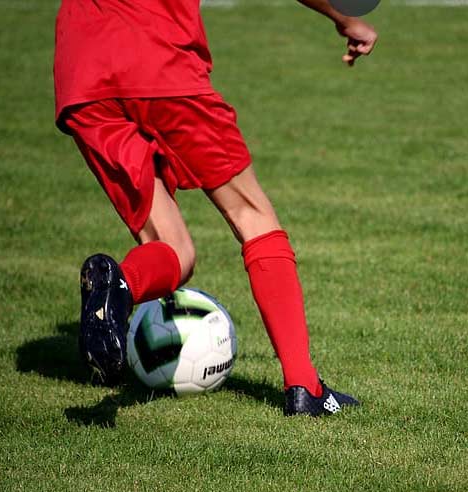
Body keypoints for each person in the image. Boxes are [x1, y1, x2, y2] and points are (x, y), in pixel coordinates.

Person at [53, 0, 377, 416]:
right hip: (158, 59)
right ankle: (304, 386)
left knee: (175, 250)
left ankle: (121, 286)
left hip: (81, 71)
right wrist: (343, 16)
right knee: (251, 215)